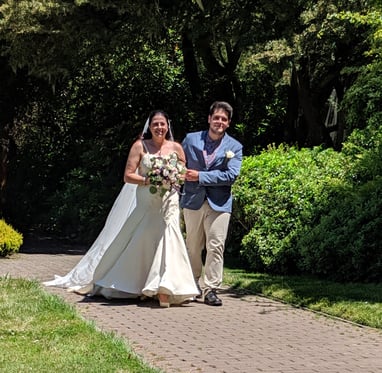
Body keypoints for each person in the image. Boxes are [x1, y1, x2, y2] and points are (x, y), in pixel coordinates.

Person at [44, 110, 199, 307]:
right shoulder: (140, 146)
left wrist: (174, 176)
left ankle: (165, 288)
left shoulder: (176, 147)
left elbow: (182, 171)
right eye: (155, 124)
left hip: (170, 199)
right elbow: (128, 176)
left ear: (168, 126)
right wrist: (148, 179)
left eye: (162, 124)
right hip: (147, 199)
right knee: (143, 237)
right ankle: (136, 282)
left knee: (170, 235)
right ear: (149, 127)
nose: (159, 128)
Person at [180, 101, 243, 306]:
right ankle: (192, 284)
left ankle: (211, 289)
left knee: (216, 245)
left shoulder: (234, 147)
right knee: (192, 246)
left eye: (224, 119)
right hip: (193, 200)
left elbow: (231, 175)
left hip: (220, 203)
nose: (219, 122)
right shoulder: (190, 140)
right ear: (209, 119)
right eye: (216, 118)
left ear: (229, 123)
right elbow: (179, 164)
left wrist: (200, 176)